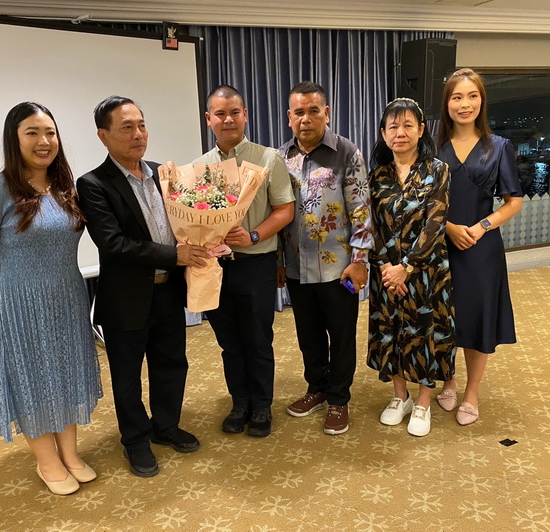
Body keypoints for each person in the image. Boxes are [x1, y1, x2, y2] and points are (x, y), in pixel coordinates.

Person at [0, 102, 102, 495]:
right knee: (31, 381)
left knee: (65, 373)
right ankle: (46, 460)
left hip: (67, 297)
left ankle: (69, 454)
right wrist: (7, 300)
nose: (44, 141)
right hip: (17, 304)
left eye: (50, 132)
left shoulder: (64, 187)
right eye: (32, 132)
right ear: (14, 138)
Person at [77, 96, 210, 477]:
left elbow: (185, 223)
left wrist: (207, 236)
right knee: (127, 375)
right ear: (103, 135)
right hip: (126, 298)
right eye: (126, 128)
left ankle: (166, 426)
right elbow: (113, 244)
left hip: (169, 290)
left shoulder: (163, 175)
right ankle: (135, 439)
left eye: (142, 125)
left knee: (171, 364)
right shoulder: (93, 184)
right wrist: (174, 255)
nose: (138, 134)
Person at [194, 85, 295, 438]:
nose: (228, 120)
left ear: (245, 115)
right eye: (220, 114)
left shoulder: (268, 159)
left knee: (257, 339)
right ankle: (240, 402)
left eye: (234, 112)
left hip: (256, 262)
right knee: (229, 341)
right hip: (215, 268)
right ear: (209, 119)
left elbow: (285, 210)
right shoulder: (198, 168)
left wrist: (252, 235)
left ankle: (262, 405)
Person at [278, 81, 372, 435]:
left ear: (326, 113)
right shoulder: (281, 157)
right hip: (296, 266)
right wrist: (278, 261)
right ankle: (316, 388)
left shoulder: (346, 152)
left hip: (340, 268)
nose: (306, 119)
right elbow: (276, 212)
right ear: (289, 117)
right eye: (299, 112)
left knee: (342, 336)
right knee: (309, 334)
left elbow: (361, 210)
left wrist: (359, 260)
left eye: (313, 111)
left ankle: (338, 399)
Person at [436, 69, 523, 425]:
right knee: (443, 317)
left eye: (472, 96)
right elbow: (422, 200)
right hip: (440, 245)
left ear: (481, 101)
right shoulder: (433, 147)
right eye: (457, 97)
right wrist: (448, 228)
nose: (465, 104)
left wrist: (481, 226)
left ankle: (472, 392)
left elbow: (514, 201)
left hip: (480, 247)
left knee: (476, 317)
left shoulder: (498, 147)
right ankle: (448, 381)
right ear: (447, 103)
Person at [367, 98, 456, 437]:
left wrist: (406, 266)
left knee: (425, 331)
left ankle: (423, 401)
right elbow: (371, 225)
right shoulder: (377, 176)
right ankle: (400, 396)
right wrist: (387, 267)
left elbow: (435, 222)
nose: (400, 133)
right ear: (383, 133)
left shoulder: (438, 170)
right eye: (393, 126)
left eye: (407, 126)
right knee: (390, 329)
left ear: (421, 130)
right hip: (386, 272)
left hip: (426, 271)